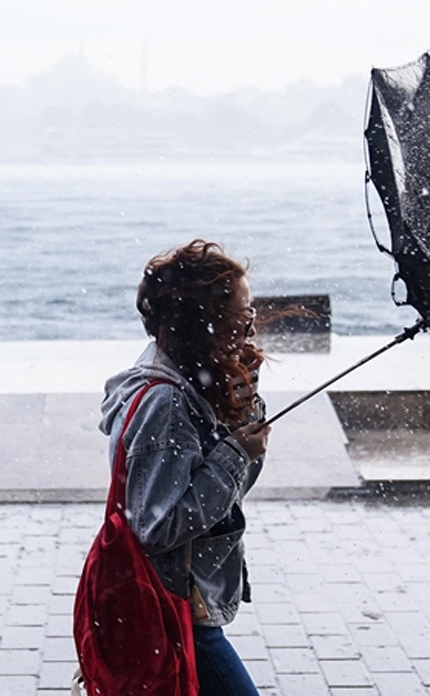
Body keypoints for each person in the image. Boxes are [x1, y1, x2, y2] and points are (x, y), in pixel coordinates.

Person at [98, 239, 270, 696]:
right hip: (173, 606)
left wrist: (242, 413)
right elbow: (159, 524)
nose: (250, 330)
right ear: (204, 324)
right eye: (240, 318)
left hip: (179, 603)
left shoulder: (186, 379)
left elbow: (229, 494)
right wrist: (234, 454)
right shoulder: (166, 402)